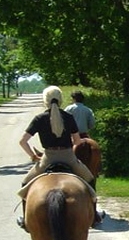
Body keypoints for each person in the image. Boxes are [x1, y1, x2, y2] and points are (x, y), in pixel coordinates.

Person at [17, 86, 104, 230]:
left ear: (45, 100)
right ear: (61, 99)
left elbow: (22, 141)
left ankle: (26, 220)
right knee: (90, 179)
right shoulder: (68, 117)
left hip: (47, 158)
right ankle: (94, 215)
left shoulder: (39, 118)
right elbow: (76, 142)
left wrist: (33, 156)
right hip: (68, 157)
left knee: (24, 184)